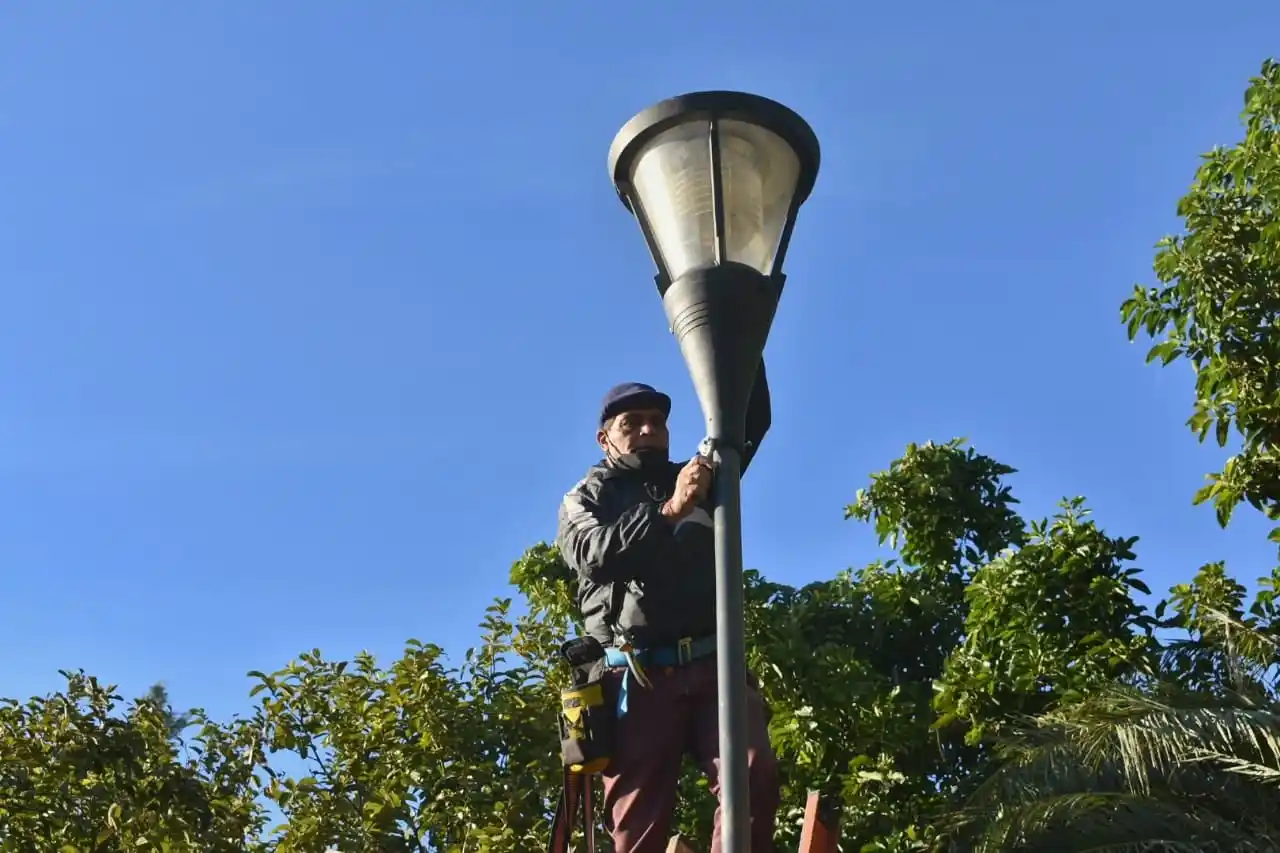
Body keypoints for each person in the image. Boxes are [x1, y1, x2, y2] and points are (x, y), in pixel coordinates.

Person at [555, 368, 778, 853]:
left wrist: (741, 334)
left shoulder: (702, 478)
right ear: (604, 438)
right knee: (639, 828)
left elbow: (747, 420)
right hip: (636, 677)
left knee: (753, 779)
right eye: (631, 422)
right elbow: (594, 556)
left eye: (656, 420)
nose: (647, 430)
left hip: (711, 665)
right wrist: (668, 511)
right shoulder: (587, 497)